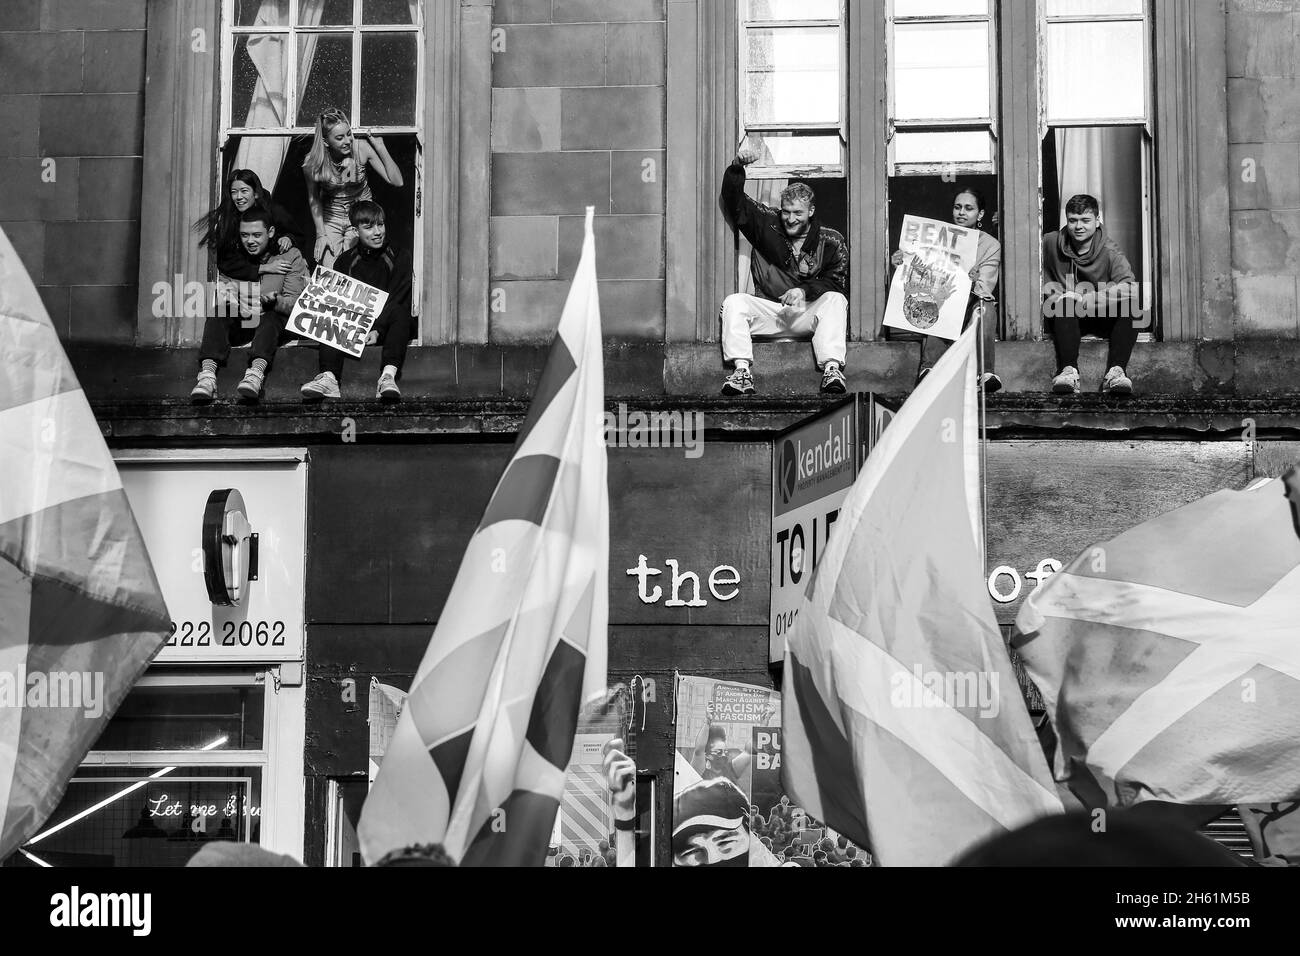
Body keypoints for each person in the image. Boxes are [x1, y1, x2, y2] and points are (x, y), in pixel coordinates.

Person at [718, 141, 849, 397]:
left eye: (798, 213)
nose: (790, 219)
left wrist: (804, 290)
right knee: (734, 303)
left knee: (835, 300)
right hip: (772, 311)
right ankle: (742, 372)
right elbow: (736, 202)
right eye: (787, 212)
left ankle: (832, 369)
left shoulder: (831, 240)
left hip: (806, 315)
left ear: (811, 211)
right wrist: (736, 168)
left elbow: (837, 283)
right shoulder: (769, 224)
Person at [191, 208, 308, 404]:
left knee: (272, 315)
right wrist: (237, 303)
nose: (250, 241)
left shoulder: (290, 256)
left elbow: (295, 304)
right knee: (221, 310)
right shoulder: (236, 258)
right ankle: (207, 376)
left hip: (276, 325)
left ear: (270, 233)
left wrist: (274, 301)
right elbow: (225, 290)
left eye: (256, 235)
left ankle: (255, 373)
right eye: (245, 235)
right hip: (245, 321)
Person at [300, 200, 413, 402]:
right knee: (330, 311)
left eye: (381, 224)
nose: (377, 232)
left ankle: (387, 377)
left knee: (402, 312)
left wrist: (377, 329)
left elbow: (397, 297)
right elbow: (339, 304)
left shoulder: (399, 255)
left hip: (386, 329)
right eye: (369, 227)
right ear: (355, 230)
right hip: (354, 331)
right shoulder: (345, 261)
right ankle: (329, 378)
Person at [891, 187, 1002, 392]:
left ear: (981, 214)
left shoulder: (990, 245)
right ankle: (929, 369)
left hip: (971, 305)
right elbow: (920, 271)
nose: (961, 212)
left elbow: (985, 287)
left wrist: (968, 279)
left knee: (985, 305)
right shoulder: (937, 237)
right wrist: (903, 262)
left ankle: (985, 373)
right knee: (937, 297)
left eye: (969, 208)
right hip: (940, 301)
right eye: (957, 207)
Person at [1042, 194, 1140, 396]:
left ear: (1097, 221)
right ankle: (1069, 372)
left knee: (1134, 307)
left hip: (1099, 314)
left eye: (1085, 221)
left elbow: (1130, 287)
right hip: (1064, 317)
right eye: (1073, 220)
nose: (1079, 226)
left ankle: (1116, 373)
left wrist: (1087, 299)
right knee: (1066, 303)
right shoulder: (1050, 242)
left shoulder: (1109, 250)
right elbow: (1024, 252)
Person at [302, 107, 404, 269]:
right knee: (329, 270)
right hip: (331, 217)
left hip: (359, 215)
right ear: (326, 141)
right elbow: (313, 197)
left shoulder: (360, 149)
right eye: (340, 138)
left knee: (353, 267)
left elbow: (397, 181)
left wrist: (380, 146)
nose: (347, 141)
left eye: (349, 134)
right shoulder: (313, 163)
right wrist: (321, 234)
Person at [194, 168, 303, 279]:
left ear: (255, 194)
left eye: (244, 191)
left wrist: (289, 238)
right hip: (242, 278)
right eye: (234, 192)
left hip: (275, 269)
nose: (239, 197)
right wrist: (263, 268)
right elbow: (226, 262)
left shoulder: (274, 211)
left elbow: (298, 235)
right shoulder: (228, 219)